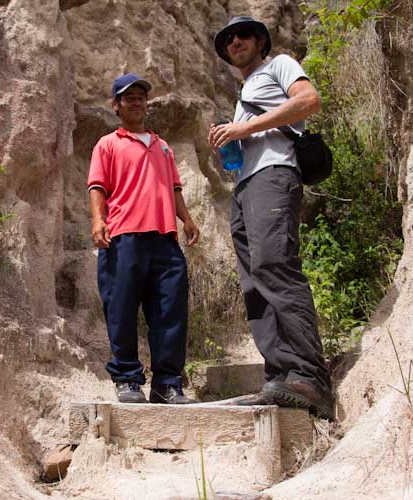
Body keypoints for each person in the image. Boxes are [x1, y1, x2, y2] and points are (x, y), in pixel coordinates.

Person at [209, 16, 334, 420]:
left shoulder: (279, 65)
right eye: (229, 38)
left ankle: (310, 377)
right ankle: (280, 375)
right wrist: (235, 138)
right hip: (246, 185)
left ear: (261, 41)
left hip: (274, 176)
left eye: (244, 35)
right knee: (254, 281)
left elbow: (308, 102)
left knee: (274, 266)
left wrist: (244, 128)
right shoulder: (244, 91)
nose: (236, 41)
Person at [88, 73, 201, 405]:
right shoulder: (108, 144)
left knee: (170, 310)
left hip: (165, 238)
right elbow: (97, 186)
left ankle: (167, 384)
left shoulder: (162, 147)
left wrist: (188, 219)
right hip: (124, 236)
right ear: (117, 106)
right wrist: (98, 220)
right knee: (121, 309)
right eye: (129, 98)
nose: (136, 102)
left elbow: (174, 188)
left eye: (141, 97)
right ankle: (127, 379)